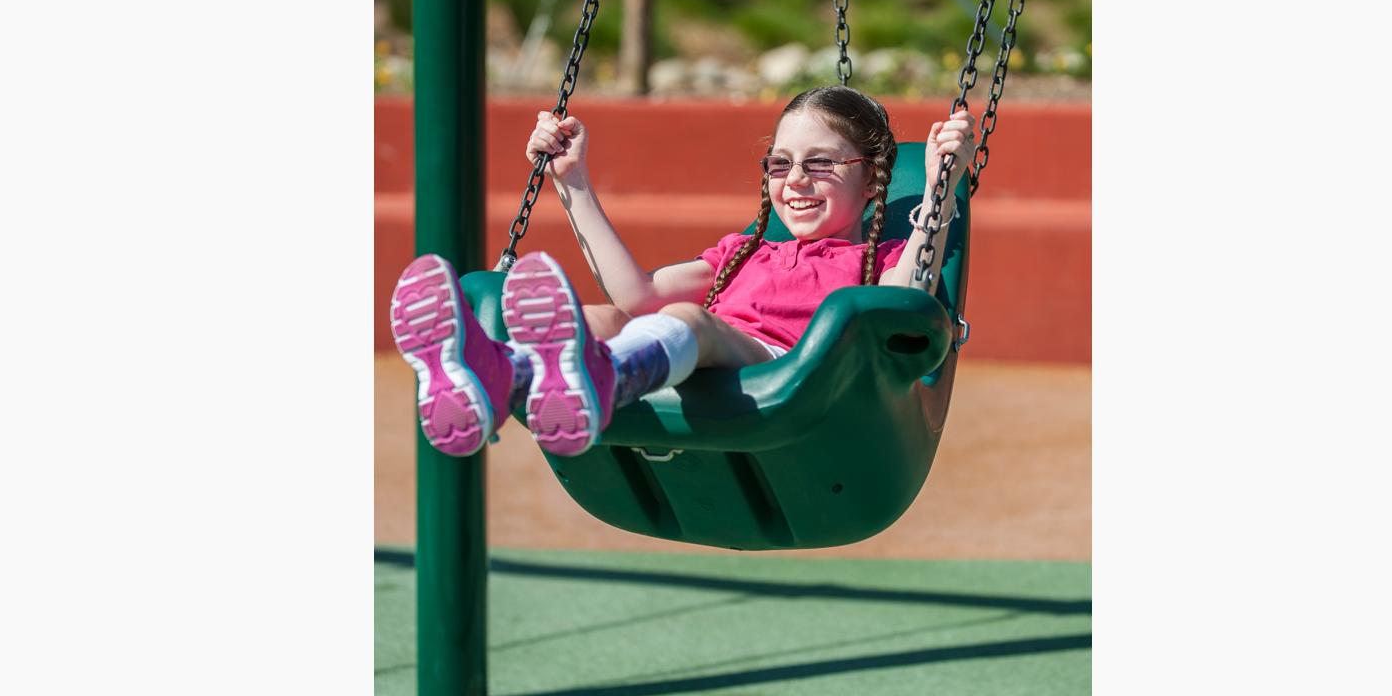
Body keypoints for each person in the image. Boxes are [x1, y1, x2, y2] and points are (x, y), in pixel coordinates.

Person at [390, 85, 972, 458]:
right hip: (697, 351)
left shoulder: (881, 261)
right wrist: (572, 183)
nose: (795, 180)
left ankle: (601, 380)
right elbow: (638, 294)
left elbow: (905, 304)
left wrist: (940, 193)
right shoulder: (743, 253)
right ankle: (494, 378)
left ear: (873, 181)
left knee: (690, 321)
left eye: (819, 164)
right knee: (601, 315)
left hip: (797, 381)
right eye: (781, 164)